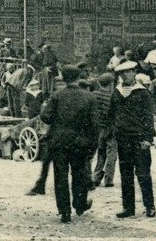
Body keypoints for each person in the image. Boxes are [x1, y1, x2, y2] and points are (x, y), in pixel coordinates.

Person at [40, 65, 97, 224]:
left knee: (61, 177)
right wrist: (92, 144)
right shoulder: (89, 97)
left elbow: (45, 116)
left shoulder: (57, 96)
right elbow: (94, 124)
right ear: (79, 78)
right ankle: (79, 205)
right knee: (79, 174)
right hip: (80, 143)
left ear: (63, 79)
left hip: (59, 143)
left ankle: (64, 212)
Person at [109, 60, 156, 219]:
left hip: (139, 139)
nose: (125, 75)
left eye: (128, 72)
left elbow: (149, 117)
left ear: (134, 72)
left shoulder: (142, 92)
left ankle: (149, 206)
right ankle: (128, 207)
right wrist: (114, 129)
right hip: (123, 139)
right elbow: (112, 113)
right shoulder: (116, 92)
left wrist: (148, 138)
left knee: (143, 174)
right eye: (122, 73)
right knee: (126, 174)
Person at [91, 72, 117, 187]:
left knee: (101, 153)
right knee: (111, 153)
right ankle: (108, 179)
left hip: (97, 129)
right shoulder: (113, 96)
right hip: (110, 128)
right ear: (111, 84)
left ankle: (96, 177)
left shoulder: (94, 95)